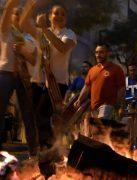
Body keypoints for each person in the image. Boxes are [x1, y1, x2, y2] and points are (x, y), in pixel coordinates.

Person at [20, 1, 77, 148]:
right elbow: (24, 24)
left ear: (67, 18)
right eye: (56, 13)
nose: (59, 16)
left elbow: (62, 47)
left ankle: (50, 152)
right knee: (34, 118)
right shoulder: (42, 33)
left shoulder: (69, 34)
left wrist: (45, 28)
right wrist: (31, 5)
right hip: (38, 82)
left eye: (62, 14)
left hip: (56, 83)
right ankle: (42, 152)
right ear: (49, 16)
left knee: (42, 116)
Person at [0, 0, 39, 156]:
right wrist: (12, 2)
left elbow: (34, 60)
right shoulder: (4, 31)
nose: (18, 16)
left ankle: (34, 152)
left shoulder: (28, 37)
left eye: (21, 14)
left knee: (28, 114)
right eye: (16, 13)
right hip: (5, 74)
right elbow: (8, 9)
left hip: (24, 78)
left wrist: (23, 51)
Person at [74, 43, 125, 140]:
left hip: (108, 105)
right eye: (96, 52)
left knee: (100, 129)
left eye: (101, 52)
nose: (98, 55)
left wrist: (120, 106)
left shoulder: (116, 69)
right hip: (94, 107)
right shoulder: (92, 70)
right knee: (96, 132)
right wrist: (79, 100)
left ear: (108, 53)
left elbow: (121, 88)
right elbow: (86, 87)